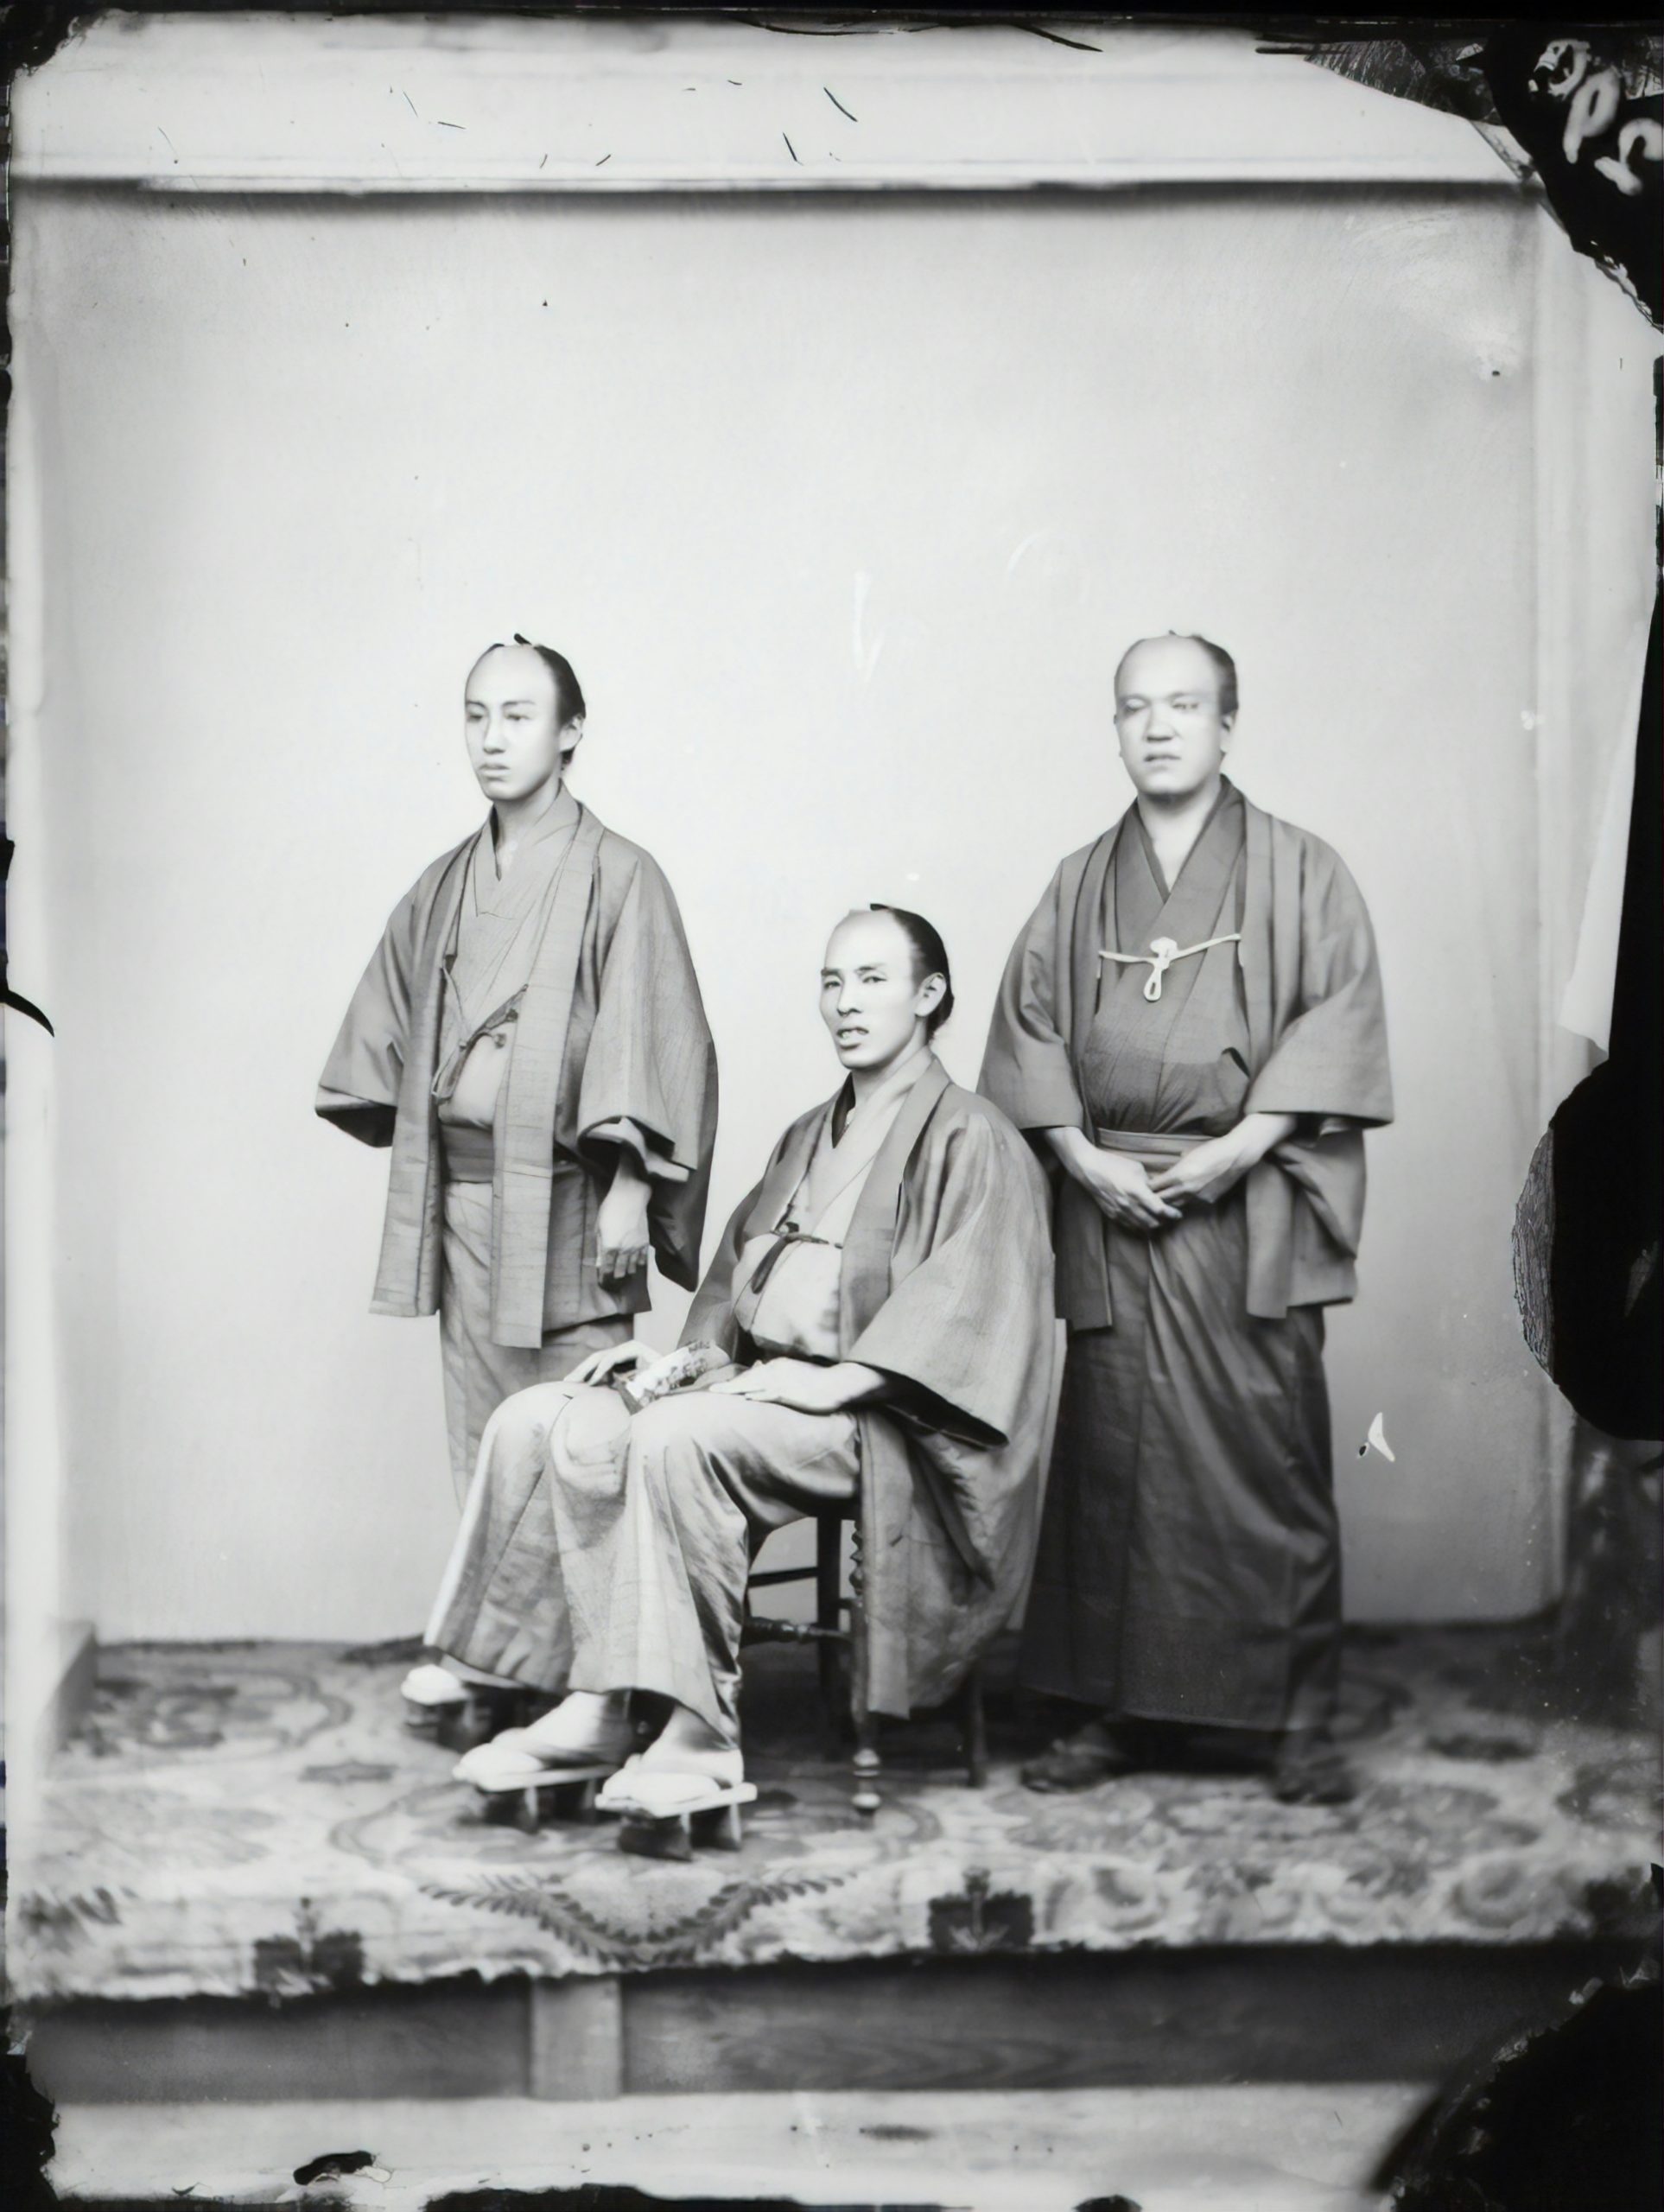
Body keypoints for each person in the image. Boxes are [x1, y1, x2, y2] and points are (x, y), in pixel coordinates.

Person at [424, 905, 1054, 1837]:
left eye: (873, 979)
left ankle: (698, 1732)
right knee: (547, 1416)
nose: (846, 1002)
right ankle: (590, 1701)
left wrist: (839, 1382)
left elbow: (971, 1308)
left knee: (679, 1435)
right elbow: (739, 1277)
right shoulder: (808, 1132)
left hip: (881, 1415)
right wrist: (682, 1359)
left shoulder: (975, 1138)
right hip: (764, 1385)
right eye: (832, 981)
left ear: (929, 996)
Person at [980, 633, 1393, 1804]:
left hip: (1242, 1202)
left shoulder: (1301, 871)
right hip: (1110, 1202)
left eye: (1183, 705)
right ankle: (1125, 1714)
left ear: (1227, 723)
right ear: (1114, 729)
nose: (1157, 726)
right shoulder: (1077, 880)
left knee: (1264, 1458)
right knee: (1115, 1475)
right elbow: (1029, 1034)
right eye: (1133, 708)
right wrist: (1075, 1158)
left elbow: (1337, 1019)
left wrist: (1242, 1147)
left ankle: (1292, 1715)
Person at [317, 636, 717, 1594]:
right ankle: (507, 1665)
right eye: (476, 714)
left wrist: (632, 1184)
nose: (492, 738)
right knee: (487, 1441)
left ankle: (590, 1684)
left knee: (581, 1444)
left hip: (574, 1211)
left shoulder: (622, 875)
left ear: (571, 730)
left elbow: (663, 1037)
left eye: (519, 715)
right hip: (467, 1210)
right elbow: (386, 1038)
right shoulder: (445, 883)